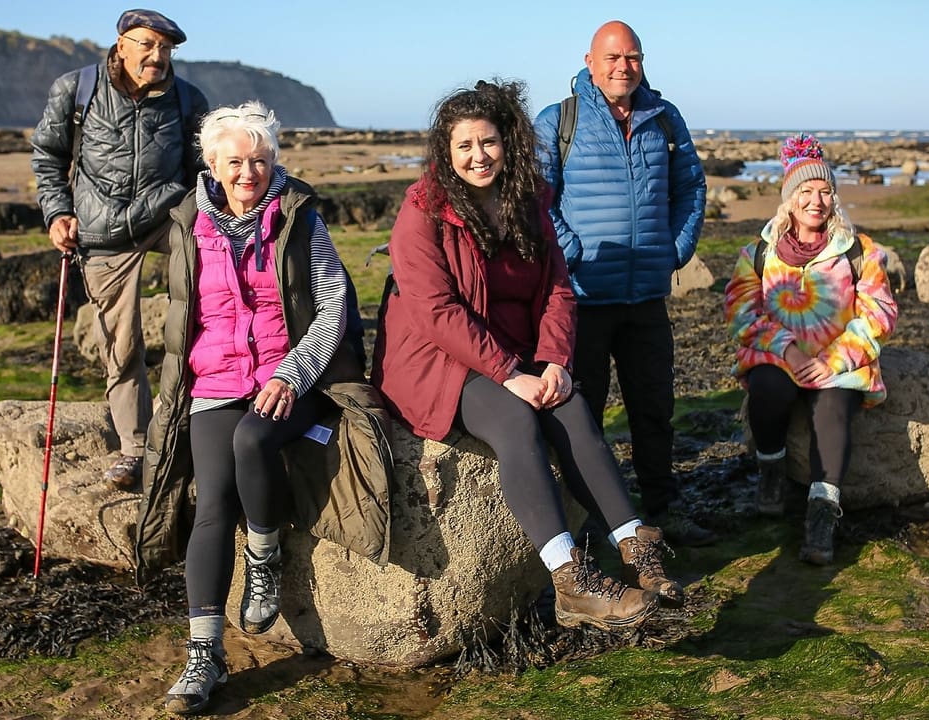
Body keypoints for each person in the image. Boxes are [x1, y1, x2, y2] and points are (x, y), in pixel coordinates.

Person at [373, 80, 683, 633]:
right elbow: (435, 310)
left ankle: (636, 546)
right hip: (435, 359)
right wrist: (510, 374)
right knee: (517, 418)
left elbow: (559, 291)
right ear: (446, 152)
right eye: (464, 146)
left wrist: (555, 360)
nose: (477, 156)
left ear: (508, 142)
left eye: (488, 142)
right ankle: (572, 582)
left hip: (511, 350)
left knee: (571, 407)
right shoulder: (423, 211)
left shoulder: (529, 201)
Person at [132, 101, 371, 716]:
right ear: (210, 164)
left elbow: (333, 305)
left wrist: (294, 372)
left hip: (289, 377)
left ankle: (262, 554)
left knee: (250, 441)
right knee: (210, 501)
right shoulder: (188, 225)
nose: (249, 173)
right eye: (235, 161)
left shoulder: (298, 219)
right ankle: (203, 655)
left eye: (260, 160)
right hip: (212, 381)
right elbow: (185, 312)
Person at [534, 20, 712, 545]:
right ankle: (596, 524)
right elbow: (537, 202)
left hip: (647, 297)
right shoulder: (558, 121)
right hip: (583, 300)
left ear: (642, 61)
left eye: (631, 57)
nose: (622, 67)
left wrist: (675, 250)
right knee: (585, 418)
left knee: (654, 408)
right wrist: (573, 254)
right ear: (590, 62)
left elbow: (691, 187)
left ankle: (664, 509)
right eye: (611, 58)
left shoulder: (664, 117)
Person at [31, 9, 209, 490]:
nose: (157, 56)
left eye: (166, 48)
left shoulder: (188, 99)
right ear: (122, 44)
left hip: (167, 217)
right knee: (122, 346)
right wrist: (57, 214)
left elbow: (203, 169)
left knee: (204, 320)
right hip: (102, 231)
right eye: (147, 45)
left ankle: (193, 433)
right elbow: (48, 155)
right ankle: (134, 451)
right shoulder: (76, 90)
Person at [724, 134, 898, 565]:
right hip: (778, 359)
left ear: (834, 198)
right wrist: (791, 353)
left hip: (838, 363)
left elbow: (880, 312)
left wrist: (833, 360)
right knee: (768, 389)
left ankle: (821, 515)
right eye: (805, 191)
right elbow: (741, 315)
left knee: (833, 408)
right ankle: (771, 473)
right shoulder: (758, 254)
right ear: (789, 199)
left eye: (824, 191)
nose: (816, 200)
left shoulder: (861, 251)